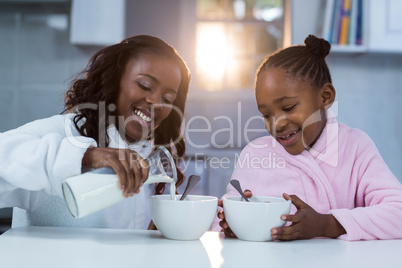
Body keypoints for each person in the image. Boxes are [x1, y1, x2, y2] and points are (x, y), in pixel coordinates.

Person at [214, 35, 402, 241]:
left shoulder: (355, 147)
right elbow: (220, 222)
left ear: (325, 97)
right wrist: (232, 225)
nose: (277, 123)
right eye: (267, 115)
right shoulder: (254, 154)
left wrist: (328, 224)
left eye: (288, 108)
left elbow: (397, 213)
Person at [0, 35, 191, 229]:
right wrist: (86, 156)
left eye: (167, 99)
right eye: (144, 85)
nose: (156, 103)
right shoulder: (62, 133)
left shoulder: (146, 159)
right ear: (115, 80)